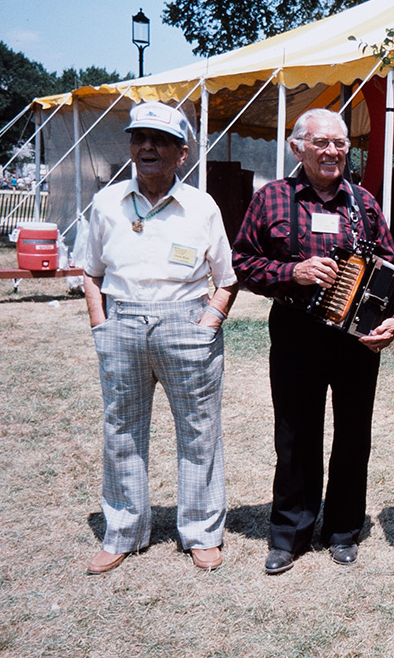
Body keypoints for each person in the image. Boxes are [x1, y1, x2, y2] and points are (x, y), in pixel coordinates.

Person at [232, 108, 394, 574]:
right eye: (321, 143)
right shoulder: (272, 198)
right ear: (298, 148)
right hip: (296, 332)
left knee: (354, 434)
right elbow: (243, 262)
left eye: (340, 143)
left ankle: (343, 529)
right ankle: (289, 533)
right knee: (295, 434)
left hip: (355, 339)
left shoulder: (364, 203)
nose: (332, 151)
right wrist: (292, 272)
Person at [81, 101, 239, 575]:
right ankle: (123, 531)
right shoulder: (107, 203)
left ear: (181, 153)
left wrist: (207, 322)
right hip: (122, 322)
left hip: (186, 324)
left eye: (160, 140)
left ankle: (202, 532)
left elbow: (227, 278)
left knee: (199, 431)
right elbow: (90, 272)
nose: (147, 147)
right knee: (122, 430)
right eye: (139, 138)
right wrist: (100, 324)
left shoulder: (202, 206)